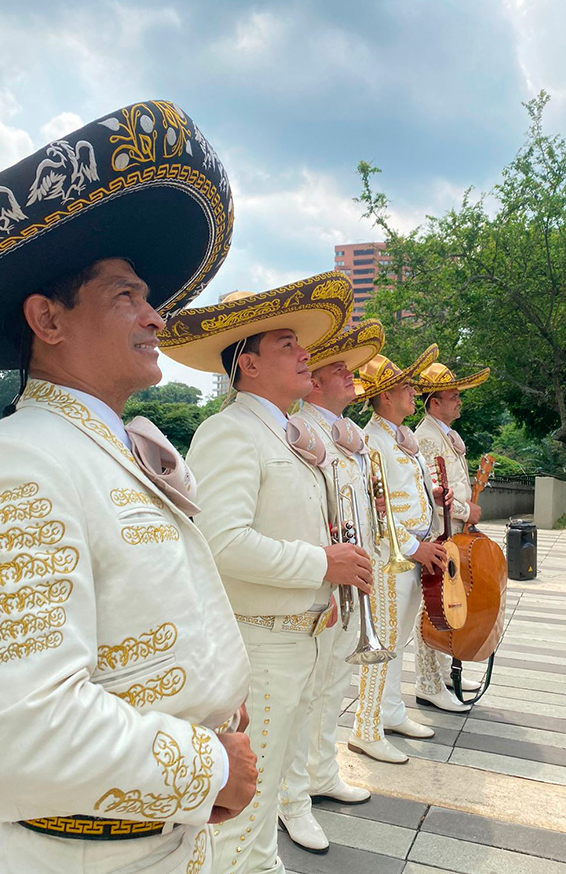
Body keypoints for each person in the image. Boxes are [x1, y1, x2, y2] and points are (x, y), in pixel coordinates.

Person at [0, 100, 256, 874]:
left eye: (149, 296)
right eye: (125, 294)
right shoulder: (12, 462)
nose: (156, 317)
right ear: (46, 319)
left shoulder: (121, 447)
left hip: (176, 841)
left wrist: (221, 703)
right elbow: (25, 731)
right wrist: (212, 764)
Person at [159, 276, 375, 874]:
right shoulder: (229, 430)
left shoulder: (281, 431)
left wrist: (322, 587)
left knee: (272, 780)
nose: (306, 352)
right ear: (247, 364)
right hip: (259, 640)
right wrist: (321, 564)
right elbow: (220, 543)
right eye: (288, 344)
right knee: (243, 803)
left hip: (296, 634)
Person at [277, 319, 384, 853]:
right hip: (320, 582)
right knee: (305, 694)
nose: (352, 378)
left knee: (333, 686)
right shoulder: (302, 431)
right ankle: (291, 797)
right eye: (340, 369)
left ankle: (320, 772)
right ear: (315, 382)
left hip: (351, 580)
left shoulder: (347, 437)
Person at [349, 347, 470, 768]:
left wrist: (434, 495)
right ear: (384, 397)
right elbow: (375, 507)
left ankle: (390, 713)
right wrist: (416, 547)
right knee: (381, 642)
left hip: (413, 553)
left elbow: (407, 493)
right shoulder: (372, 440)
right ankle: (365, 729)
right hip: (390, 556)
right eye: (405, 387)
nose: (413, 392)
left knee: (398, 638)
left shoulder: (402, 439)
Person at [413, 362, 491, 696]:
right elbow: (434, 493)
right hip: (438, 532)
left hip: (455, 530)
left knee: (450, 603)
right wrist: (466, 510)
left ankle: (444, 674)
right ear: (435, 403)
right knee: (432, 607)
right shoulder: (426, 438)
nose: (459, 402)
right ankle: (427, 683)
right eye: (453, 396)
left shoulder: (445, 434)